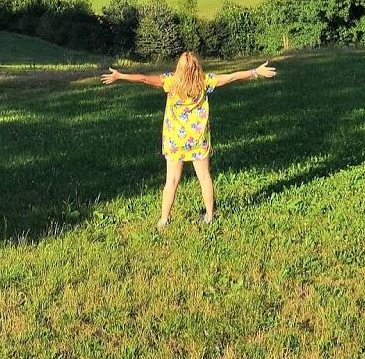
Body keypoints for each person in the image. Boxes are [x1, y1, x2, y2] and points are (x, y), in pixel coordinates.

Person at [101, 50, 277, 228]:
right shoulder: (204, 81)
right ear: (197, 67)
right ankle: (209, 216)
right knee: (204, 178)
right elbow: (232, 77)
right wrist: (255, 71)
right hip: (198, 140)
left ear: (179, 67)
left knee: (171, 181)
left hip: (174, 142)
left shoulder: (170, 81)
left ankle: (164, 220)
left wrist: (120, 75)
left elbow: (143, 78)